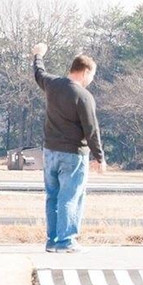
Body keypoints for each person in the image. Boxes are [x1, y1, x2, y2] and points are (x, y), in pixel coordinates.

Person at [32, 43, 106, 253]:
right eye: (92, 75)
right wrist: (100, 157)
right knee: (70, 196)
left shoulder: (53, 85)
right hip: (73, 155)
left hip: (50, 152)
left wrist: (38, 54)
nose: (91, 80)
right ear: (85, 72)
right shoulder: (83, 96)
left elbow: (39, 73)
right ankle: (66, 241)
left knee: (52, 195)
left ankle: (52, 240)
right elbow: (91, 130)